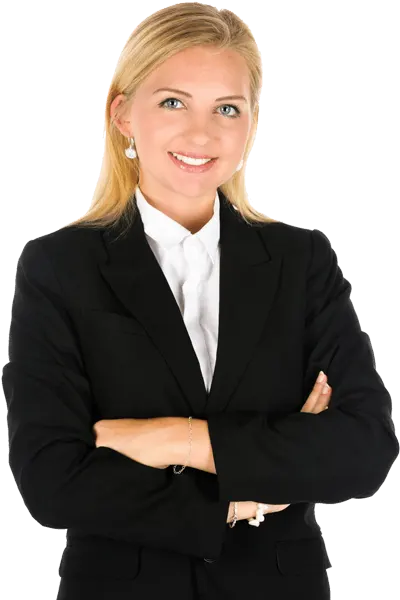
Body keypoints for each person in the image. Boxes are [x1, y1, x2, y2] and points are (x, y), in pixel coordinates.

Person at [2, 3, 398, 600]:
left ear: (250, 122)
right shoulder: (60, 267)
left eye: (227, 108)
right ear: (122, 113)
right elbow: (52, 479)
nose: (201, 133)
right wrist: (244, 496)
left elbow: (363, 450)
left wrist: (175, 439)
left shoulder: (300, 261)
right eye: (173, 102)